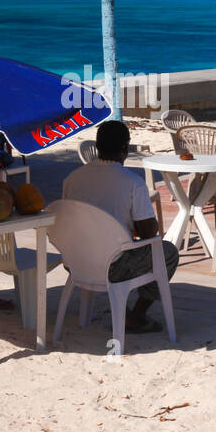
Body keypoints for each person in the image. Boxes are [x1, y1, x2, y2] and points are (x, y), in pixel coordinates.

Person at [62, 120, 178, 333]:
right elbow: (148, 233)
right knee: (167, 252)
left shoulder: (72, 178)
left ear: (97, 148)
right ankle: (137, 315)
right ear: (125, 148)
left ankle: (118, 310)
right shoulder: (132, 183)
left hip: (76, 261)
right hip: (113, 266)